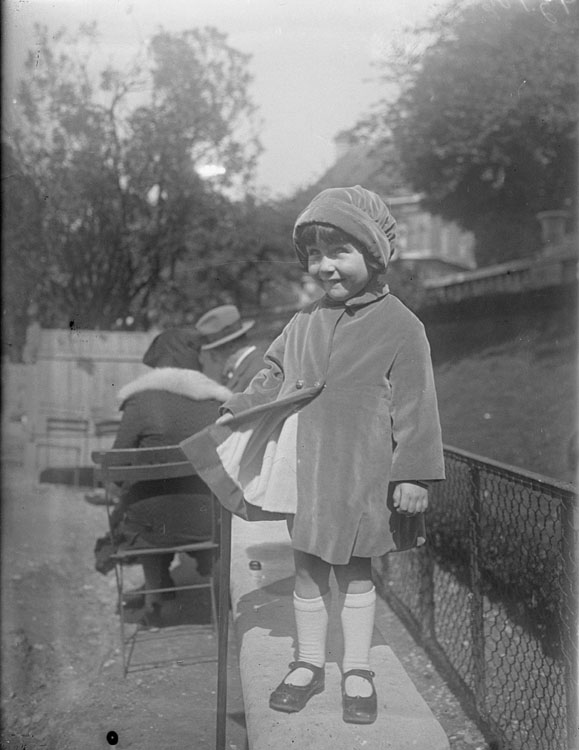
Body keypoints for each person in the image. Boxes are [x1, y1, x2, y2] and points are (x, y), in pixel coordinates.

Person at [181, 185, 445, 724]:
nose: (325, 267)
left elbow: (418, 406)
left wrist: (414, 474)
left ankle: (356, 668)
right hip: (306, 470)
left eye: (339, 252)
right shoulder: (303, 322)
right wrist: (242, 405)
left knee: (354, 572)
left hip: (360, 473)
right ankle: (306, 663)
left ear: (373, 254)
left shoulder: (401, 326)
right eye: (316, 256)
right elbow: (273, 372)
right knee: (306, 567)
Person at [98, 327, 233, 626]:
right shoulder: (216, 402)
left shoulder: (140, 401)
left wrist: (123, 489)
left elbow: (118, 464)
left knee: (144, 506)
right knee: (189, 506)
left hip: (150, 522)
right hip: (206, 518)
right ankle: (222, 596)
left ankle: (158, 599)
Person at [195, 304, 266, 392]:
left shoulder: (258, 370)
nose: (215, 360)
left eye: (214, 354)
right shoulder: (244, 368)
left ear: (231, 346)